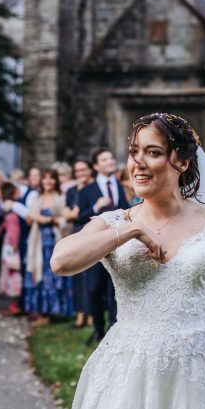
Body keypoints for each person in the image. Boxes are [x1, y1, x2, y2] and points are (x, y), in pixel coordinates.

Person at [51, 113, 205, 409]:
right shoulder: (116, 222)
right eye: (134, 152)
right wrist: (129, 232)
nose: (138, 163)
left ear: (180, 160)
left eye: (152, 152)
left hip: (198, 370)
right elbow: (61, 261)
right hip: (128, 368)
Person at [76, 147, 130, 345]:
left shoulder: (123, 185)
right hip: (96, 246)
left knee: (115, 290)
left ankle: (113, 330)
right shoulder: (86, 191)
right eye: (104, 159)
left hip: (119, 245)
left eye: (111, 158)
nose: (110, 162)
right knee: (93, 289)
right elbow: (80, 217)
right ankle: (98, 329)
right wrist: (96, 207)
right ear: (97, 165)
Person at [23, 169, 73, 325]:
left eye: (51, 179)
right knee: (38, 274)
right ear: (41, 182)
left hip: (54, 241)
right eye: (45, 179)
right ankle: (39, 310)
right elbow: (29, 220)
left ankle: (50, 313)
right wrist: (36, 217)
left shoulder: (61, 198)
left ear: (56, 181)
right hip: (38, 242)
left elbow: (66, 221)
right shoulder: (36, 198)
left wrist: (52, 219)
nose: (48, 182)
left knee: (52, 275)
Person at [64, 158, 94, 329]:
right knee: (77, 273)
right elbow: (69, 214)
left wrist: (78, 213)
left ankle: (91, 315)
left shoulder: (95, 188)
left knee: (91, 274)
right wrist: (78, 213)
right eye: (78, 171)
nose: (81, 174)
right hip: (76, 232)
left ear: (90, 170)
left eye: (84, 170)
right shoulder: (71, 191)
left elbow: (89, 213)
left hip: (92, 231)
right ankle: (80, 315)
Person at [0, 182, 22, 300]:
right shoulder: (12, 206)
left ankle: (15, 297)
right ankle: (13, 298)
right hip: (10, 241)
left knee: (12, 268)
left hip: (10, 241)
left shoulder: (10, 207)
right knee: (11, 267)